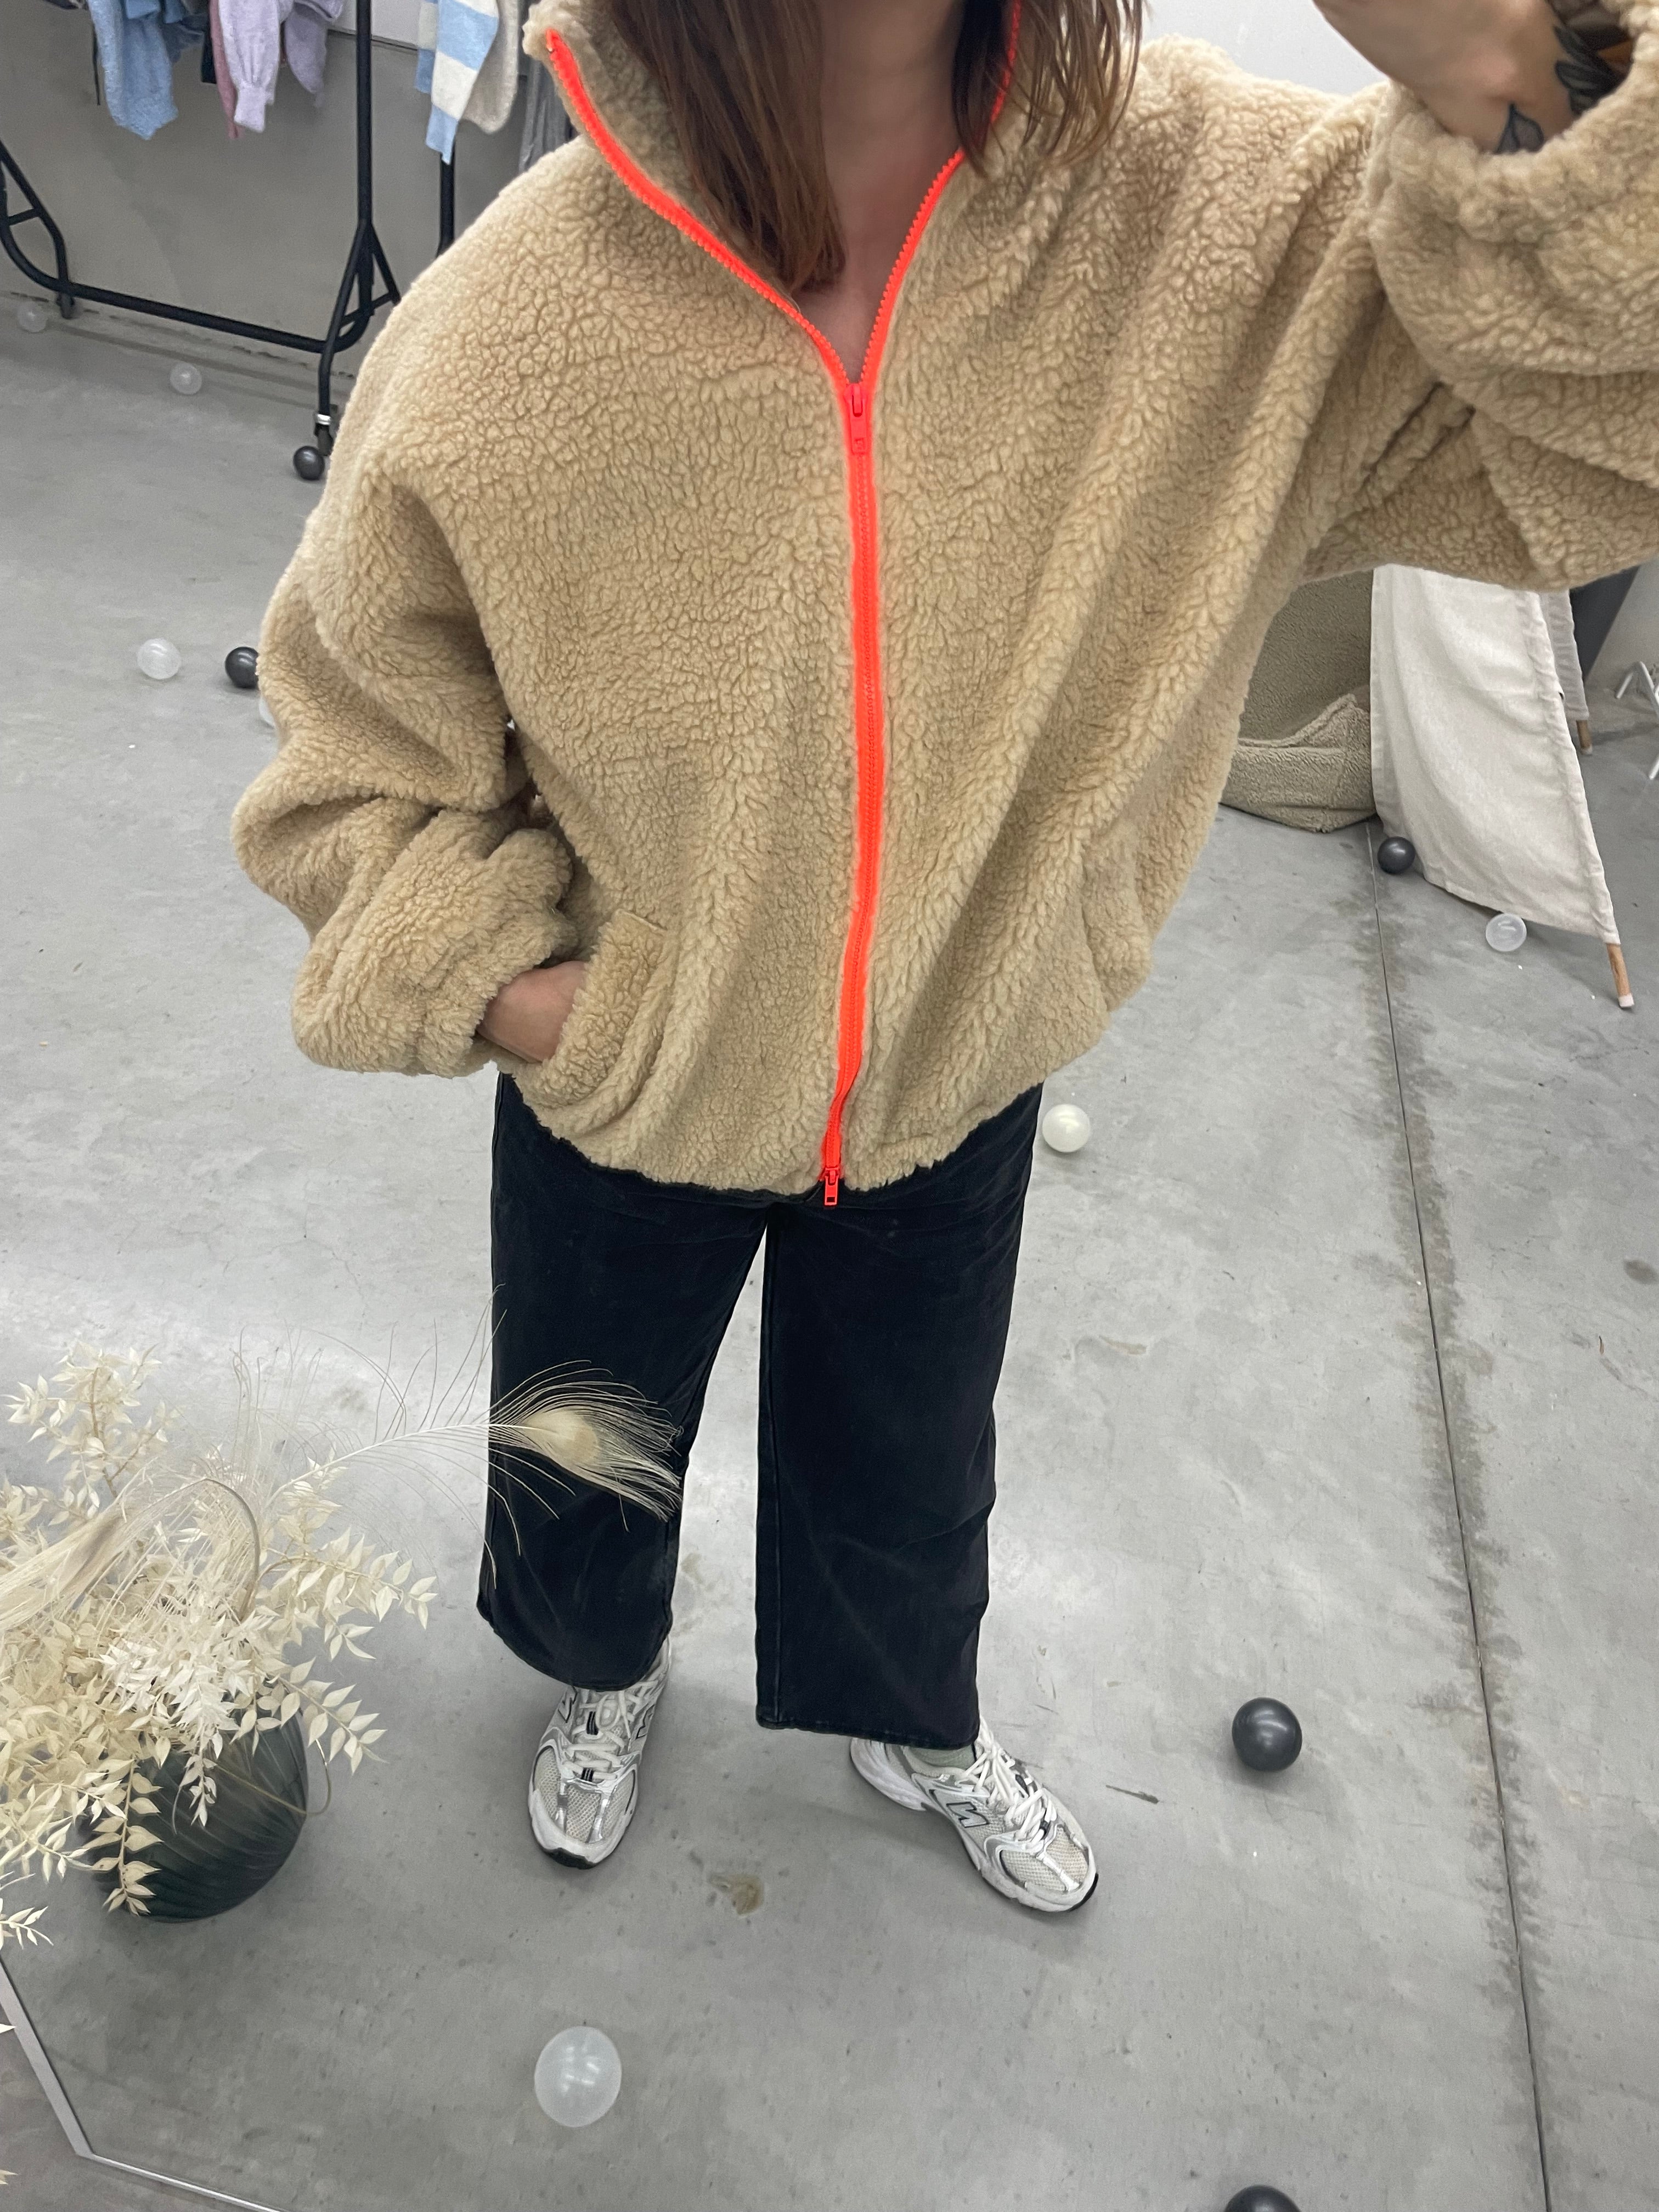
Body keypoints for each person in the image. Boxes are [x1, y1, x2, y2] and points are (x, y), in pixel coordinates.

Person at [232, 0, 1654, 1915]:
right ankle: (601, 1669)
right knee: (583, 1453)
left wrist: (1529, 52)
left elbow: (1601, 436)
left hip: (956, 1072)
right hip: (634, 1084)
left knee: (910, 1473)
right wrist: (538, 1000)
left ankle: (909, 1719)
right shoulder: (517, 326)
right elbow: (350, 761)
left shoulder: (1221, 233)